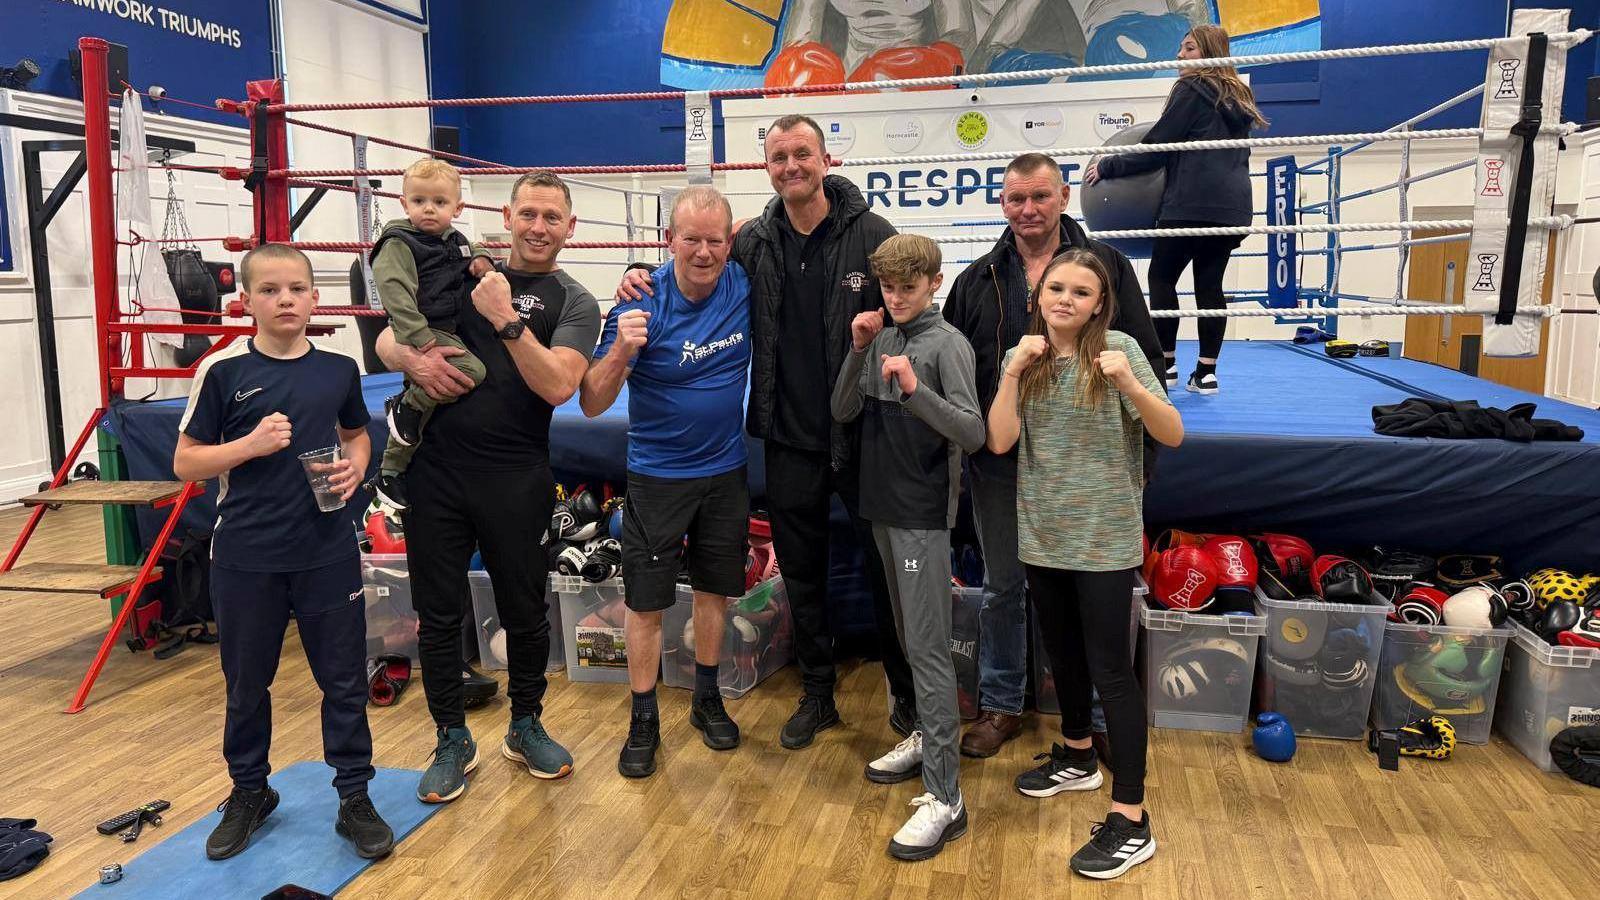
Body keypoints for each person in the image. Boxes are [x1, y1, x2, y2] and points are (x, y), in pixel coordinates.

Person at [618, 115, 916, 750]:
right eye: (778, 157)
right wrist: (639, 271)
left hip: (863, 433)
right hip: (784, 435)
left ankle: (908, 701)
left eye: (801, 154)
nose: (791, 167)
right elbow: (698, 261)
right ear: (768, 168)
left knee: (886, 569)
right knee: (801, 573)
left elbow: (913, 302)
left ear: (825, 157)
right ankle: (817, 695)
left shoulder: (872, 233)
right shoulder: (753, 241)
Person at [375, 171, 601, 802]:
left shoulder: (575, 302)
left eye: (551, 217)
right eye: (528, 213)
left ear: (569, 228)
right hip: (437, 471)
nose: (537, 227)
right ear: (507, 215)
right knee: (438, 613)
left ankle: (525, 723)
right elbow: (389, 333)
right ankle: (450, 735)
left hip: (516, 474)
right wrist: (412, 358)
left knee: (527, 610)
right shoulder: (459, 264)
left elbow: (559, 385)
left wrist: (505, 319)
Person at [173, 243, 393, 862]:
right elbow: (185, 461)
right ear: (246, 301)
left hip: (325, 549)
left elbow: (356, 436)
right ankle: (249, 792)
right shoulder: (221, 372)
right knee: (246, 682)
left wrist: (354, 470)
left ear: (314, 297)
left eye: (296, 288)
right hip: (246, 552)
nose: (286, 299)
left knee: (344, 680)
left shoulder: (339, 368)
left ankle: (354, 795)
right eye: (269, 290)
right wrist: (249, 444)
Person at [942, 152, 1164, 758]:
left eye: (1040, 196)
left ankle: (1093, 716)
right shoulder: (976, 279)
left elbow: (1144, 361)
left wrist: (1140, 466)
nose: (1028, 209)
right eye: (1016, 198)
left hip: (1083, 466)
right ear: (1002, 203)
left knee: (1088, 597)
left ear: (1064, 197)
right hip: (1002, 456)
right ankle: (1002, 702)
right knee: (1004, 587)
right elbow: (957, 369)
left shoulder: (1108, 266)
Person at [986, 248, 1183, 880]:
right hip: (1043, 535)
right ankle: (1076, 756)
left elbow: (1173, 433)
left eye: (1080, 291)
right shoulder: (1029, 357)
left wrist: (1129, 382)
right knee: (1062, 656)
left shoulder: (1118, 350)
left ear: (1099, 303)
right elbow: (1000, 441)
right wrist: (1011, 375)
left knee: (1110, 671)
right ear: (1039, 296)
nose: (1065, 299)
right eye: (1056, 289)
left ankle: (1131, 817)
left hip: (1102, 540)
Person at [580, 186, 751, 778]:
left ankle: (706, 697)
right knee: (645, 601)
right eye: (691, 239)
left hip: (725, 473)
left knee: (714, 592)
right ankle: (643, 715)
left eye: (714, 240)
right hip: (658, 476)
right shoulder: (640, 300)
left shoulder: (743, 280)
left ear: (730, 241)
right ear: (668, 239)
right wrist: (623, 351)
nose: (703, 252)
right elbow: (594, 402)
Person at [831, 234, 985, 861]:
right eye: (888, 287)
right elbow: (843, 410)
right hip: (881, 508)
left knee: (927, 649)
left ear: (934, 284)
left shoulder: (948, 345)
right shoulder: (884, 337)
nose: (896, 298)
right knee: (904, 635)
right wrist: (859, 348)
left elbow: (974, 433)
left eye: (909, 287)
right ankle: (926, 734)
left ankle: (946, 797)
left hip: (923, 515)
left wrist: (917, 392)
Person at [1085, 23, 1267, 394]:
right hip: (1231, 209)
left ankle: (1165, 365)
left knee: (1162, 278)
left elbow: (1159, 144)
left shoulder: (1191, 87)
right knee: (1209, 286)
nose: (1180, 57)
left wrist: (1109, 166)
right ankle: (1207, 372)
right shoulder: (1238, 96)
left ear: (1210, 52)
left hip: (1190, 204)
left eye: (1189, 49)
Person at [367, 158, 495, 510]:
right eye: (419, 201)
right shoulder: (399, 242)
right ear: (403, 203)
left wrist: (482, 258)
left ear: (458, 207)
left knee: (422, 413)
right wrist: (419, 338)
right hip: (425, 330)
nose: (428, 210)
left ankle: (390, 473)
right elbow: (394, 293)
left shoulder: (452, 238)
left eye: (439, 203)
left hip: (441, 329)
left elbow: (470, 250)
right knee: (472, 372)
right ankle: (404, 407)